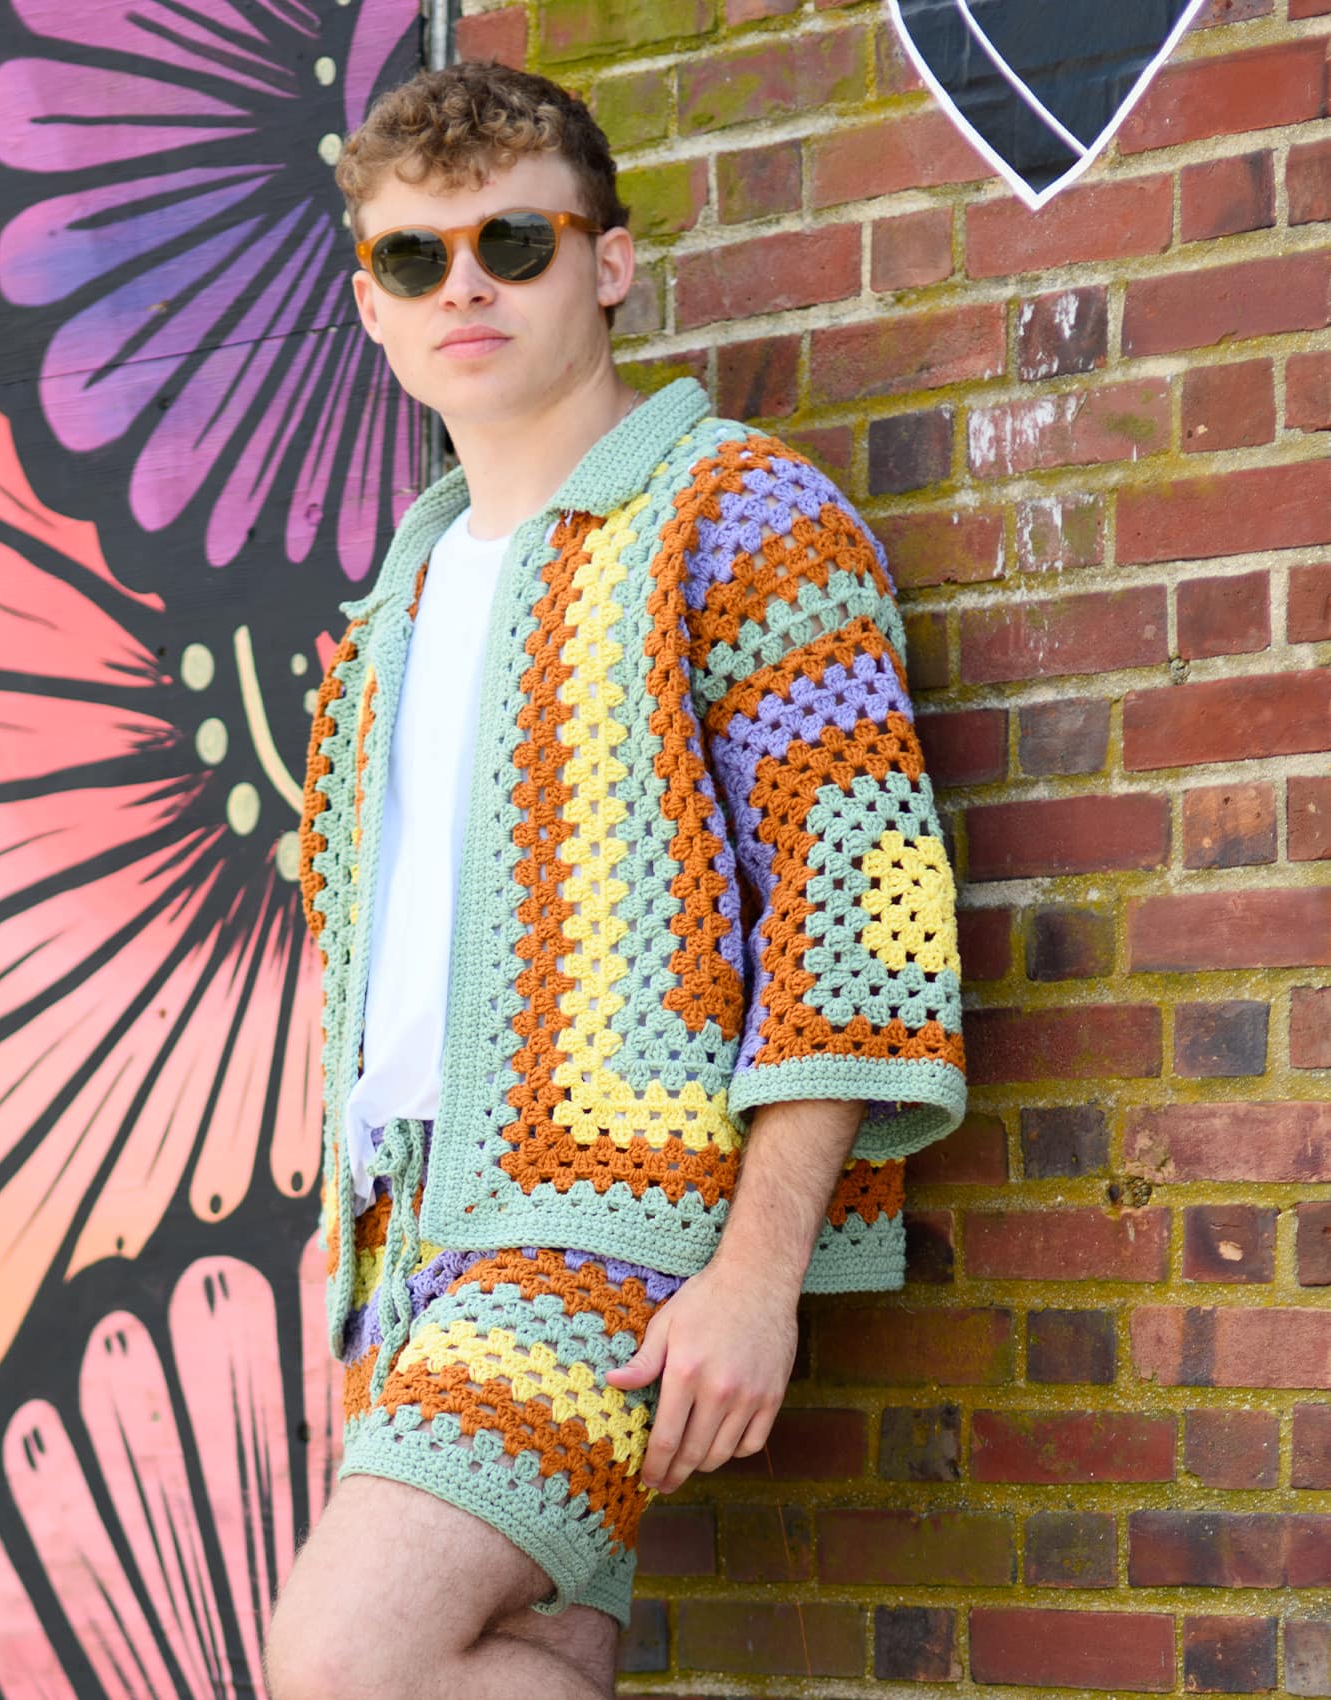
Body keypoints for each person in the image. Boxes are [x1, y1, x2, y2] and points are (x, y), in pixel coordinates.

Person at [267, 60, 967, 1700]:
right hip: (405, 1246)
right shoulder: (384, 619)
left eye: (513, 244)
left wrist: (757, 1275)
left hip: (611, 1221)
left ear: (611, 263)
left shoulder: (737, 515)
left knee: (347, 1663)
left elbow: (859, 902)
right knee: (514, 1658)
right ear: (369, 304)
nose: (464, 289)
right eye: (413, 258)